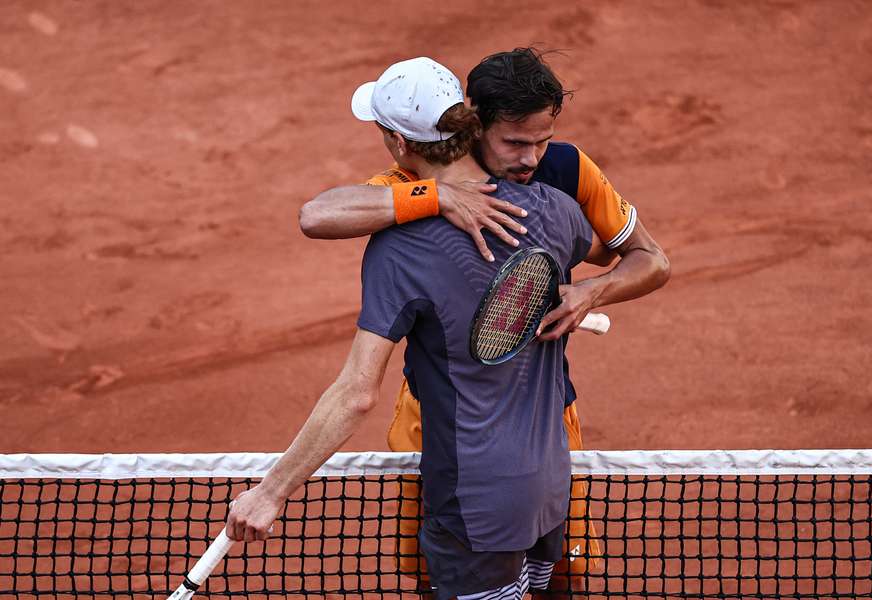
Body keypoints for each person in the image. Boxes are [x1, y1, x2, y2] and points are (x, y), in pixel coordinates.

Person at [228, 57, 612, 600]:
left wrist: (271, 492)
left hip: (472, 502)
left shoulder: (400, 247)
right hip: (549, 489)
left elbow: (357, 395)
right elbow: (619, 253)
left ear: (396, 143)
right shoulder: (556, 210)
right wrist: (592, 287)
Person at [298, 48, 670, 593]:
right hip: (435, 419)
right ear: (475, 123)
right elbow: (319, 215)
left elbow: (651, 259)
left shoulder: (566, 171)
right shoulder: (417, 174)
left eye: (542, 139)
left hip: (545, 417)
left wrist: (594, 288)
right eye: (515, 142)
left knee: (562, 573)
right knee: (438, 571)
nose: (532, 158)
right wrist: (438, 195)